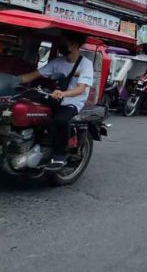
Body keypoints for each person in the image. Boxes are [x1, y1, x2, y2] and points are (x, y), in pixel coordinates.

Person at [18, 33, 93, 170]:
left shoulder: (86, 65)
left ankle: (60, 156)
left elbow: (81, 89)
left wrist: (64, 93)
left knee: (60, 120)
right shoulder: (57, 62)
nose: (61, 46)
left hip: (73, 101)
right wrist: (13, 80)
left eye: (65, 43)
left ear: (75, 45)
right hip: (54, 98)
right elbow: (33, 75)